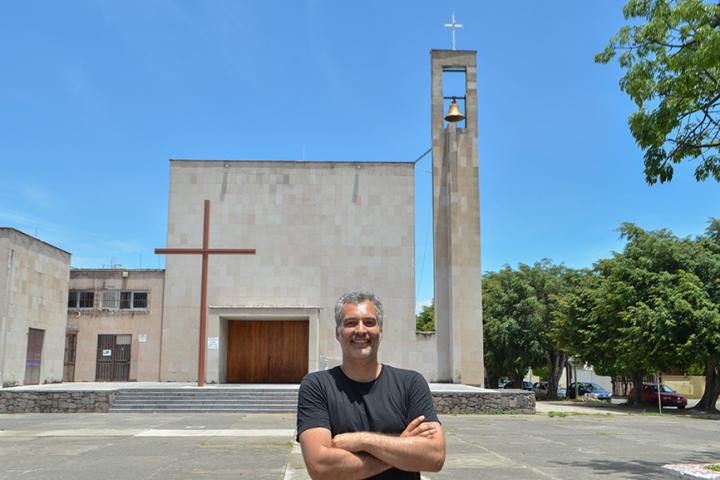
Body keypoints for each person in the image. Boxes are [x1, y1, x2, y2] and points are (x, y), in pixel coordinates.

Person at [296, 291, 445, 479]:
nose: (361, 330)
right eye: (351, 323)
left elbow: (434, 456)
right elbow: (321, 467)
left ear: (380, 331)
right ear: (337, 333)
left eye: (369, 322)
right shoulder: (317, 386)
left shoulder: (411, 384)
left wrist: (363, 441)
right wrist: (402, 445)